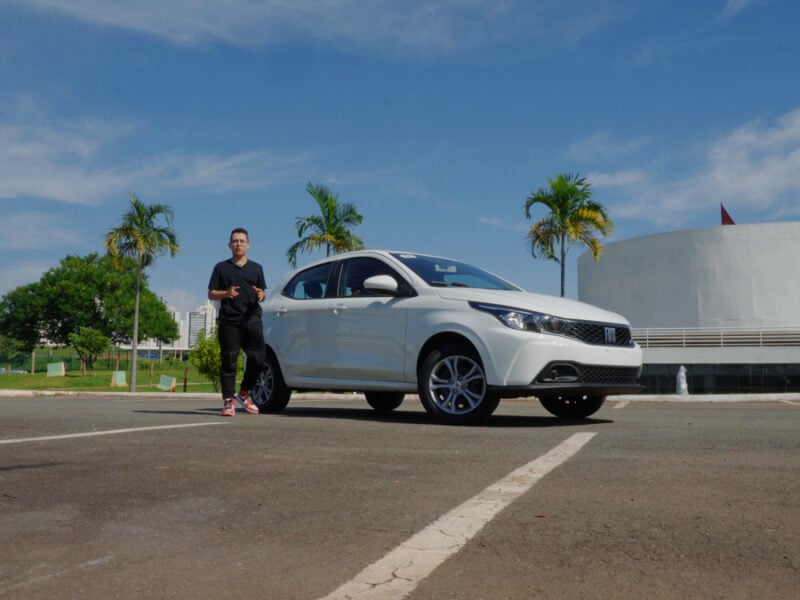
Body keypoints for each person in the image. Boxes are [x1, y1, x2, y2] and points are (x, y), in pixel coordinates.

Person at [208, 228, 267, 416]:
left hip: (252, 319)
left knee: (258, 359)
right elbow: (211, 293)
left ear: (248, 245)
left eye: (242, 241)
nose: (238, 244)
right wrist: (225, 293)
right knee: (229, 360)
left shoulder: (257, 268)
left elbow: (263, 293)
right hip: (229, 321)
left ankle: (244, 393)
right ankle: (228, 402)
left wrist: (260, 294)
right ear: (229, 245)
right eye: (235, 241)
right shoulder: (221, 268)